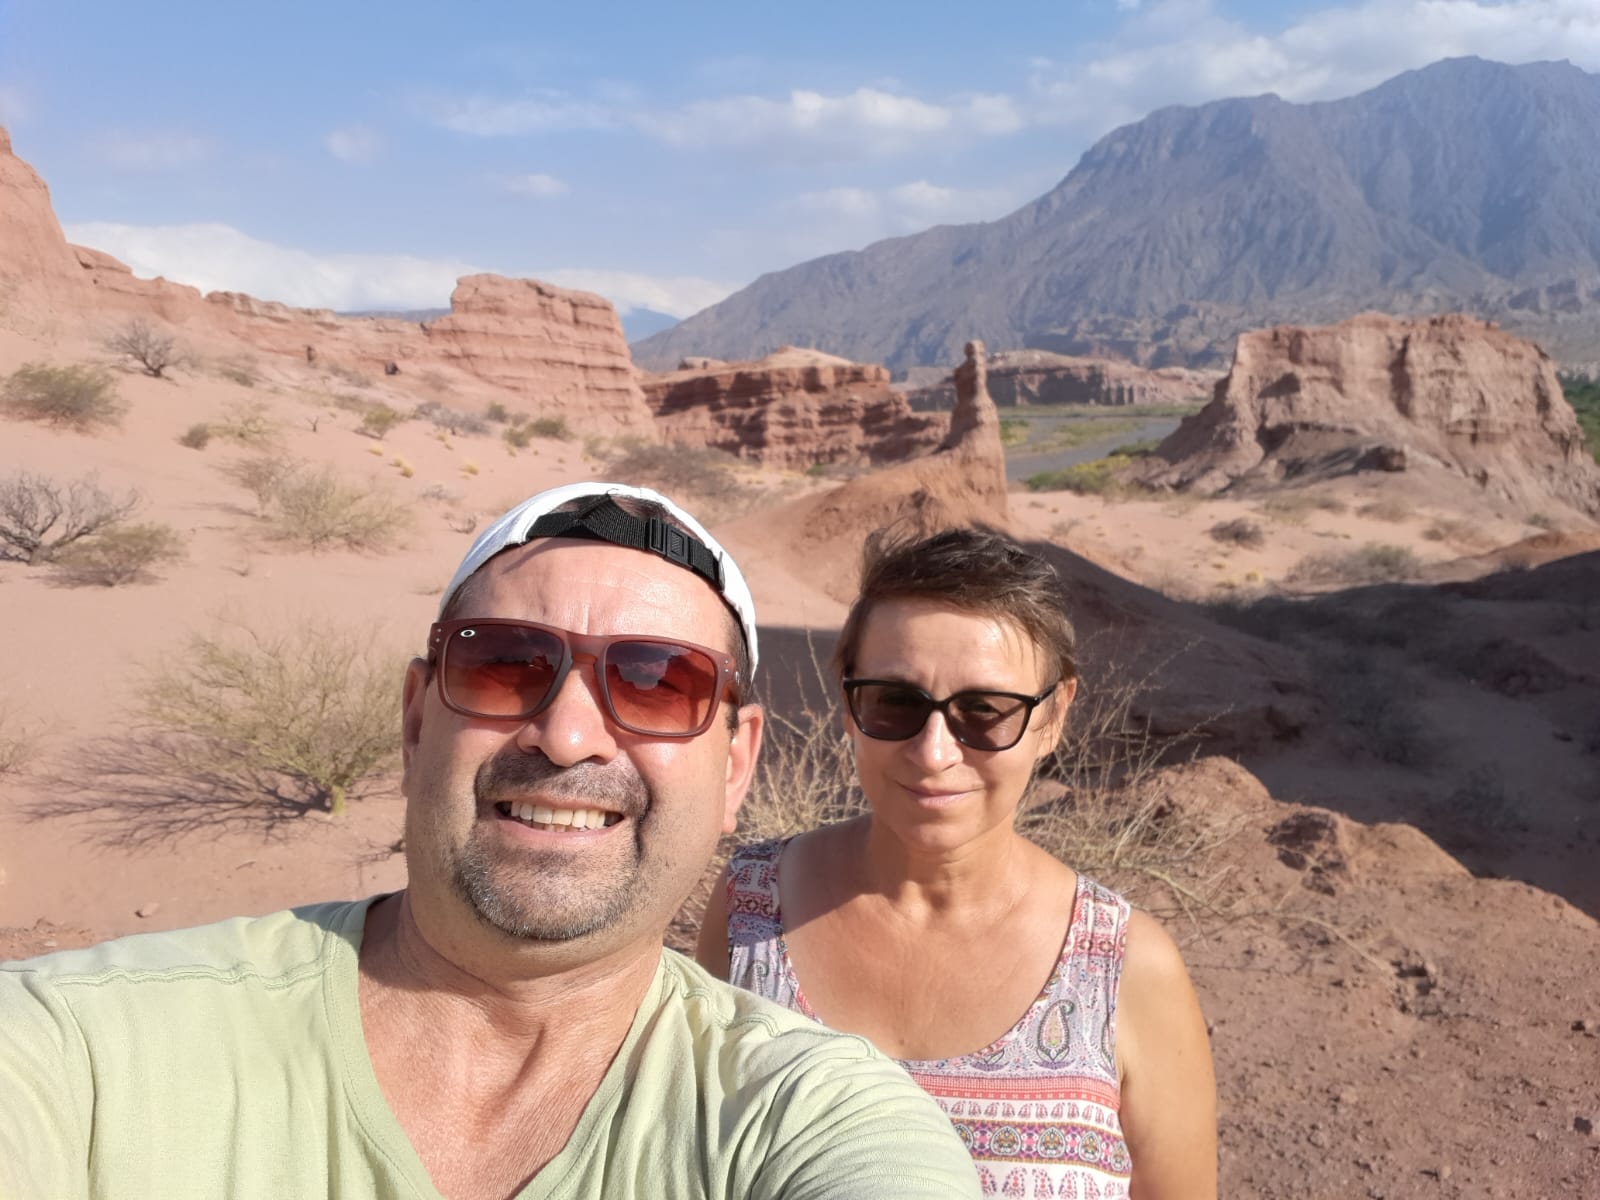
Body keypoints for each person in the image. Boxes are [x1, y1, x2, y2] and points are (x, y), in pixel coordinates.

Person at [0, 482, 981, 1199]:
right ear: (419, 718)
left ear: (734, 765)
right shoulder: (83, 1054)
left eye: (655, 682)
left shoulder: (801, 1122)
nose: (567, 734)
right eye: (507, 664)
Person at [698, 526, 1217, 1200]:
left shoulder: (1126, 970)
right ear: (850, 705)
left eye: (985, 711)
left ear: (1054, 716)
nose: (935, 752)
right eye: (896, 702)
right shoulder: (751, 909)